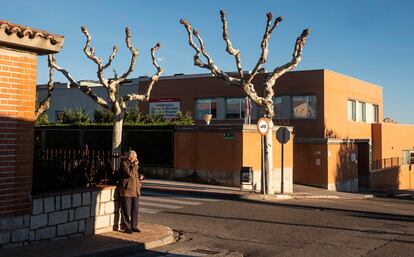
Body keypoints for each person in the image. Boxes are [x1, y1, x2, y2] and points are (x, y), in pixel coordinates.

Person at [118, 150, 144, 234]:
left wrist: (140, 177)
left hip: (135, 191)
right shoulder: (124, 163)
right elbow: (129, 174)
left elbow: (134, 175)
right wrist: (135, 166)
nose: (136, 159)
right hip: (127, 191)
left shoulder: (134, 165)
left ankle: (134, 226)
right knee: (126, 210)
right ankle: (127, 227)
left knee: (135, 210)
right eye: (135, 157)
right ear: (130, 157)